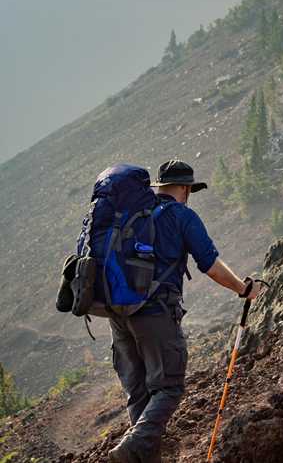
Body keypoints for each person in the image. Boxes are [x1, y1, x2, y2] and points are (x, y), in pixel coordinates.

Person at [108, 160, 261, 463]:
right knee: (168, 388)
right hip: (155, 313)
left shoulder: (132, 215)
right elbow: (211, 266)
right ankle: (133, 446)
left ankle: (140, 454)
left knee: (140, 393)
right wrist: (243, 289)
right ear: (186, 189)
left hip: (117, 313)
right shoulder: (182, 216)